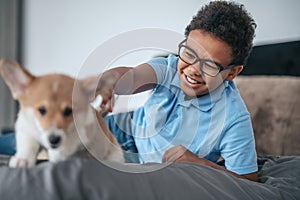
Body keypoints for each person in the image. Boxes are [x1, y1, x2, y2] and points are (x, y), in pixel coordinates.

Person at [97, 1, 258, 181]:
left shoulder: (234, 118)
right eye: (189, 54)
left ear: (232, 73)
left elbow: (248, 179)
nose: (194, 69)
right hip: (127, 130)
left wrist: (200, 164)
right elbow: (133, 77)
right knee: (73, 136)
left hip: (155, 169)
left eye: (210, 66)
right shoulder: (169, 67)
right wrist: (109, 81)